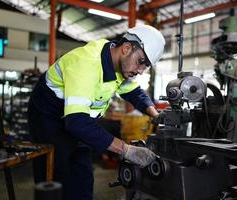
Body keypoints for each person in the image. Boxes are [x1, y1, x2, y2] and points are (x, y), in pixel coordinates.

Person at [27, 24, 165, 200]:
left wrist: (155, 115)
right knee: (56, 178)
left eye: (145, 67)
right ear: (127, 48)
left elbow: (134, 92)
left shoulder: (119, 65)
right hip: (49, 117)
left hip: (80, 121)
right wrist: (126, 150)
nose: (140, 71)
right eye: (141, 62)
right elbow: (76, 122)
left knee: (83, 178)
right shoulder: (86, 65)